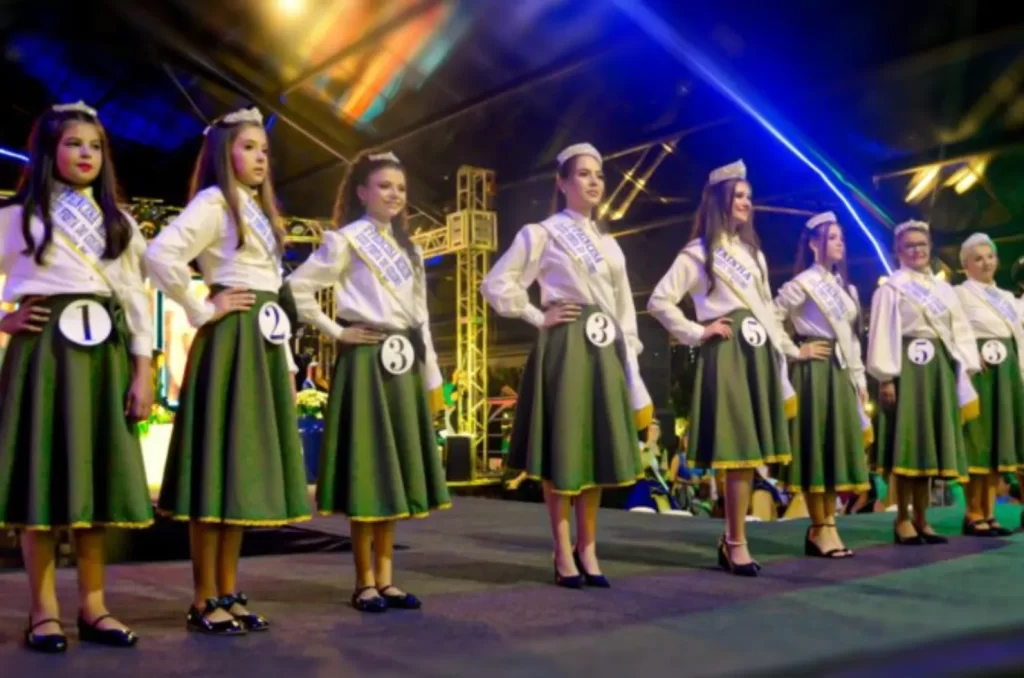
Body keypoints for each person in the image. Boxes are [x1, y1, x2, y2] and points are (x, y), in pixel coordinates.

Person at [146, 106, 310, 635]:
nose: (260, 158)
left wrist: (286, 363)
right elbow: (160, 255)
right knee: (217, 473)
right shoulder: (214, 202)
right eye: (248, 148)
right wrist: (202, 308)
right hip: (231, 340)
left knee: (238, 473)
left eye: (264, 150)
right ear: (223, 152)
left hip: (262, 342)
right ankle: (202, 598)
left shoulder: (259, 210)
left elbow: (273, 296)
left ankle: (228, 590)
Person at [0, 101, 154, 652]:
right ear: (49, 149)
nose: (86, 154)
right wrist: (4, 319)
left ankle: (94, 607)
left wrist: (143, 369)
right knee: (41, 484)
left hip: (104, 356)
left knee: (95, 484)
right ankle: (43, 612)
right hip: (43, 354)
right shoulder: (16, 216)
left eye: (95, 146)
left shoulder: (120, 223)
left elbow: (135, 300)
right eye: (73, 143)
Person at [482, 142, 652, 588]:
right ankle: (562, 550)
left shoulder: (610, 245)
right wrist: (538, 315)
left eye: (599, 174)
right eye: (583, 174)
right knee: (563, 449)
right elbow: (496, 283)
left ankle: (588, 547)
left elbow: (624, 308)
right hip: (567, 345)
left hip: (605, 347)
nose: (594, 181)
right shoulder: (542, 233)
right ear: (561, 182)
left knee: (594, 450)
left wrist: (629, 356)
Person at [286, 150, 449, 613]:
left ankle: (387, 579)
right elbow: (297, 287)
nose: (394, 194)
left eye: (400, 187)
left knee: (392, 470)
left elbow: (421, 318)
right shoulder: (346, 241)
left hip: (403, 359)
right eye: (384, 186)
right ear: (361, 192)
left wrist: (432, 375)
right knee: (368, 469)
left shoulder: (411, 250)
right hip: (366, 358)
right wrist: (337, 331)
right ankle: (364, 582)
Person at [648, 159, 818, 576]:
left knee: (750, 454)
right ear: (720, 201)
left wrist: (786, 353)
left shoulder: (754, 255)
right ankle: (735, 540)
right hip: (726, 351)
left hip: (757, 352)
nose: (746, 203)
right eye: (738, 196)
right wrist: (697, 330)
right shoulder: (698, 253)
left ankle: (735, 539)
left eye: (749, 197)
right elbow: (659, 301)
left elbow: (767, 311)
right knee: (737, 449)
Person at [867, 220, 980, 545]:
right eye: (910, 245)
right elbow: (882, 333)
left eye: (922, 244)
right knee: (908, 444)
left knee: (929, 444)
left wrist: (965, 367)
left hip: (938, 368)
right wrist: (886, 378)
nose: (917, 250)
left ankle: (922, 517)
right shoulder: (892, 288)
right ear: (898, 251)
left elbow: (959, 329)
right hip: (906, 369)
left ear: (930, 248)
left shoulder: (944, 290)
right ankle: (902, 517)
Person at [774, 212, 871, 557]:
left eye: (841, 237)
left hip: (840, 371)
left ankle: (829, 524)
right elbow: (771, 318)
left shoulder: (847, 290)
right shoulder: (802, 283)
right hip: (814, 372)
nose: (839, 243)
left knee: (833, 449)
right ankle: (819, 526)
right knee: (816, 447)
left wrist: (859, 380)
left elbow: (853, 340)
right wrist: (795, 350)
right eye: (831, 237)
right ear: (814, 244)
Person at [954, 233, 1024, 536]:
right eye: (978, 258)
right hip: (979, 371)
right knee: (978, 441)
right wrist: (968, 357)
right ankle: (973, 513)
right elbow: (954, 330)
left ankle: (990, 512)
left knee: (998, 442)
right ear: (966, 264)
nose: (986, 263)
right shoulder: (959, 294)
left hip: (1006, 370)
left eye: (990, 256)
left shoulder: (1007, 298)